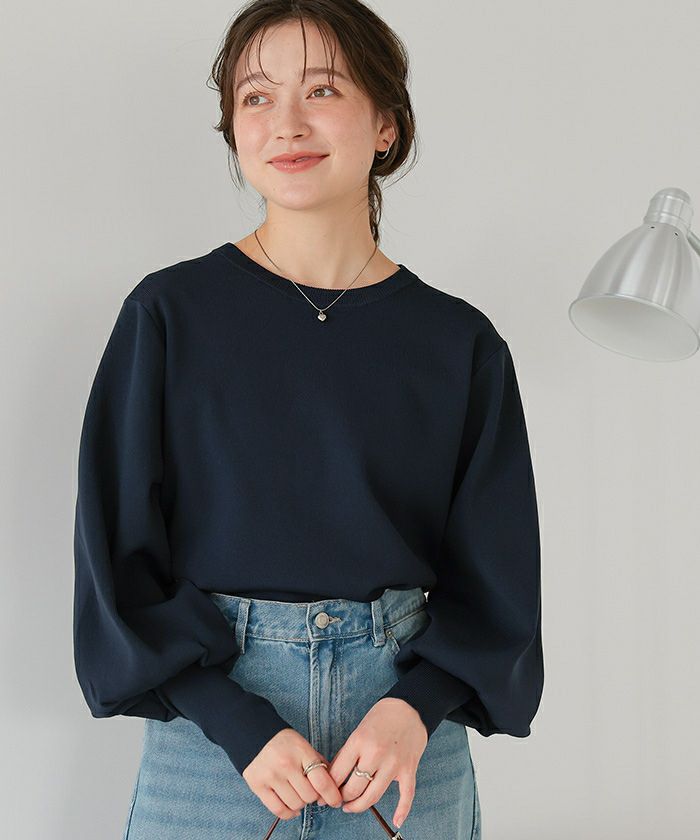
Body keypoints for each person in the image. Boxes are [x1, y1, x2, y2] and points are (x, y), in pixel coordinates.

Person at [72, 2, 544, 838]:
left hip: (400, 749)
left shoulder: (459, 343)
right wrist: (235, 721)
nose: (286, 123)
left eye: (322, 90)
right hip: (213, 753)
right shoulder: (169, 315)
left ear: (386, 124)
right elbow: (117, 562)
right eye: (255, 97)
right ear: (233, 129)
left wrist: (415, 707)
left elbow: (496, 580)